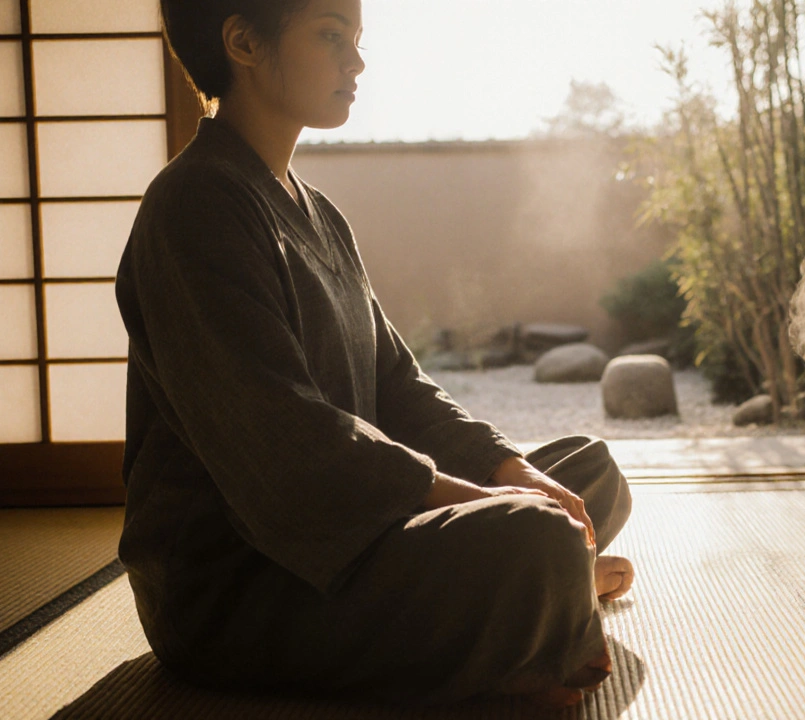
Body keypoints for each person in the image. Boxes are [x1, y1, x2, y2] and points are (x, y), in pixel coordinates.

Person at [114, 0, 634, 708]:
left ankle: (546, 591)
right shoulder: (192, 208)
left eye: (356, 39)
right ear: (242, 41)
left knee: (585, 475)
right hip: (243, 583)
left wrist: (510, 472)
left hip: (356, 531)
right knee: (535, 537)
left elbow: (400, 386)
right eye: (332, 36)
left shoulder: (319, 214)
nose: (357, 62)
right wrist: (487, 503)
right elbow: (288, 443)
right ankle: (547, 592)